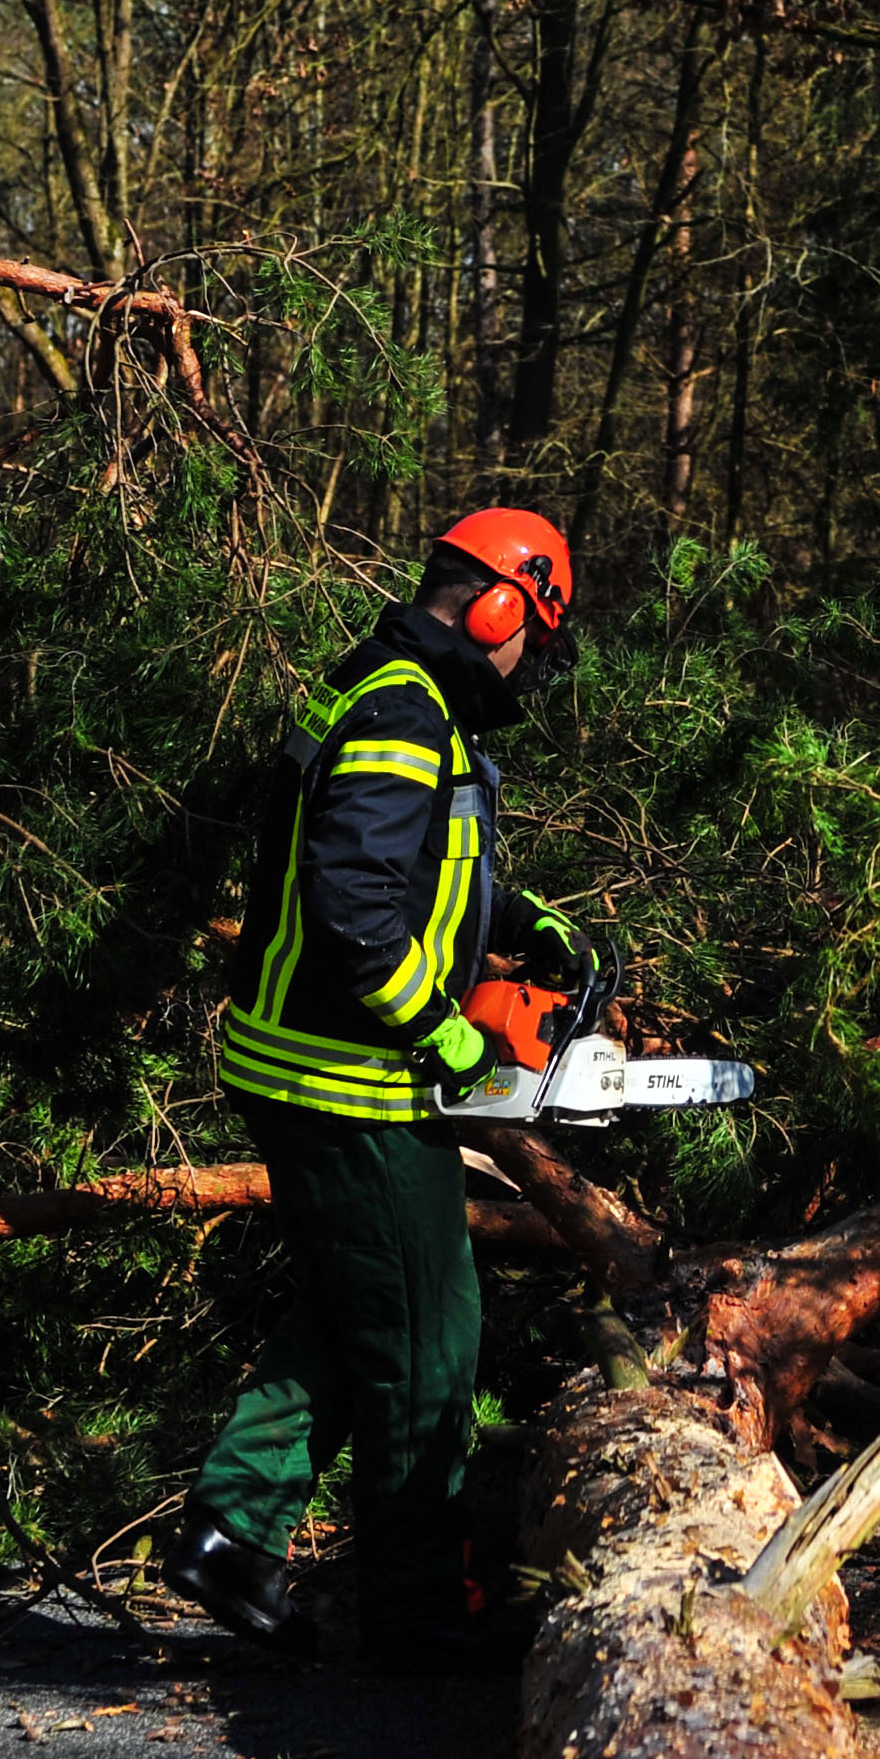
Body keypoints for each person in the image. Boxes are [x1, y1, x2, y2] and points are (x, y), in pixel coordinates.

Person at [164, 508, 592, 1672]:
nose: (527, 666)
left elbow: (414, 868)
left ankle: (229, 1533)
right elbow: (355, 904)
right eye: (529, 640)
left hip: (306, 1070)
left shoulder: (396, 692)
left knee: (354, 1316)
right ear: (499, 606)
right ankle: (414, 1608)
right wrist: (444, 1034)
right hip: (345, 1080)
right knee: (427, 1341)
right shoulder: (405, 713)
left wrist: (520, 921)